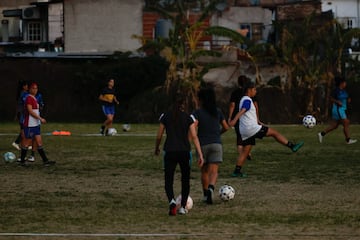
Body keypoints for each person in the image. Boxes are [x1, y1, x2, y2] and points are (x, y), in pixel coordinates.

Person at [229, 82, 304, 177]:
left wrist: (256, 121)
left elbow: (246, 113)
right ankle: (292, 146)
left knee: (246, 151)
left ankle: (237, 171)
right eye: (254, 89)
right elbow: (243, 110)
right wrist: (234, 120)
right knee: (274, 133)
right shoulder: (247, 100)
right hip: (251, 128)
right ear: (250, 90)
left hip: (245, 130)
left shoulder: (243, 99)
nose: (255, 91)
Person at [155, 95, 204, 215]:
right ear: (184, 106)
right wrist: (200, 154)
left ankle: (172, 201)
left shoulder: (165, 116)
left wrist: (157, 147)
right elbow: (194, 136)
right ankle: (182, 207)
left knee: (168, 179)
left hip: (170, 150)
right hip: (184, 151)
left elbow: (159, 135)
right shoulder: (188, 118)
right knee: (185, 180)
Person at [191, 87, 229, 204]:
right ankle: (212, 188)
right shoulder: (217, 111)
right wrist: (218, 133)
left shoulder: (197, 112)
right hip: (216, 144)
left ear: (201, 100)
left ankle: (205, 193)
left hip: (202, 145)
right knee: (214, 171)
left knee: (204, 171)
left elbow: (194, 126)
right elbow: (226, 127)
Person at [19, 82, 55, 166]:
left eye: (36, 88)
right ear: (30, 89)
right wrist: (40, 118)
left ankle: (45, 161)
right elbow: (30, 111)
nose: (35, 90)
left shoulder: (35, 98)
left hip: (35, 124)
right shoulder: (28, 98)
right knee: (27, 143)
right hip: (30, 124)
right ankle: (22, 161)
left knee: (39, 142)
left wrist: (38, 120)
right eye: (33, 88)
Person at [318, 76, 357, 144]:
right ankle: (348, 140)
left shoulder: (344, 91)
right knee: (346, 122)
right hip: (338, 109)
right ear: (341, 83)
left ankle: (321, 134)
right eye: (344, 83)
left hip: (342, 109)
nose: (345, 84)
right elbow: (331, 98)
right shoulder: (336, 90)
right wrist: (337, 102)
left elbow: (346, 97)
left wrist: (348, 100)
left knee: (335, 126)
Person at [12, 80, 29, 151]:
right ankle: (16, 143)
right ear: (23, 87)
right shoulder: (23, 94)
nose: (27, 86)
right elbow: (26, 104)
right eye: (26, 85)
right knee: (24, 130)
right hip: (22, 114)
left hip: (22, 114)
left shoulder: (24, 93)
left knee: (25, 130)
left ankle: (24, 144)